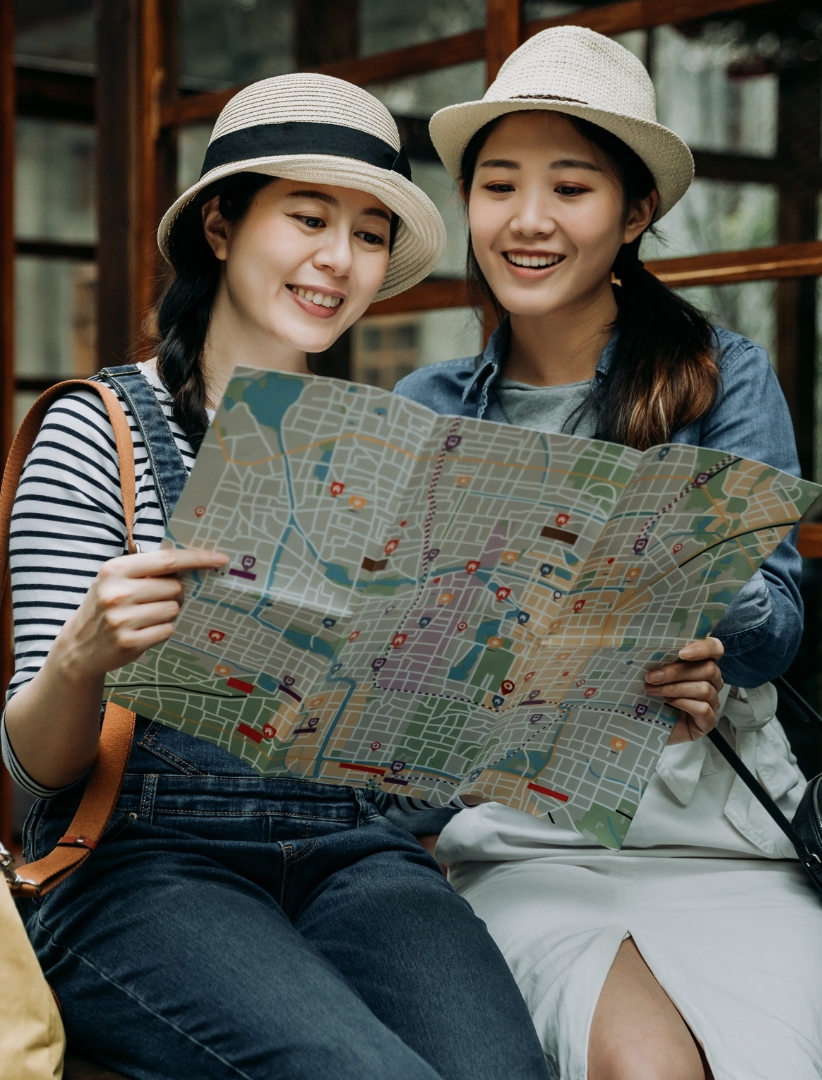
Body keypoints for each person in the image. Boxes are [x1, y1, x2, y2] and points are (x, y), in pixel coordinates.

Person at [3, 74, 551, 1080]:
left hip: (359, 854)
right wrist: (83, 657)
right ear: (220, 225)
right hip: (141, 866)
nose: (338, 261)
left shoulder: (394, 455)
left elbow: (427, 762)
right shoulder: (101, 430)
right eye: (308, 217)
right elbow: (29, 776)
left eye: (371, 233)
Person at [393, 27, 822, 1080]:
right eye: (498, 186)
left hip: (717, 836)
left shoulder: (723, 374)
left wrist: (697, 623)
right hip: (521, 847)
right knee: (647, 1070)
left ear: (634, 213)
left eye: (570, 188)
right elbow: (403, 671)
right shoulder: (425, 411)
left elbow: (775, 620)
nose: (527, 220)